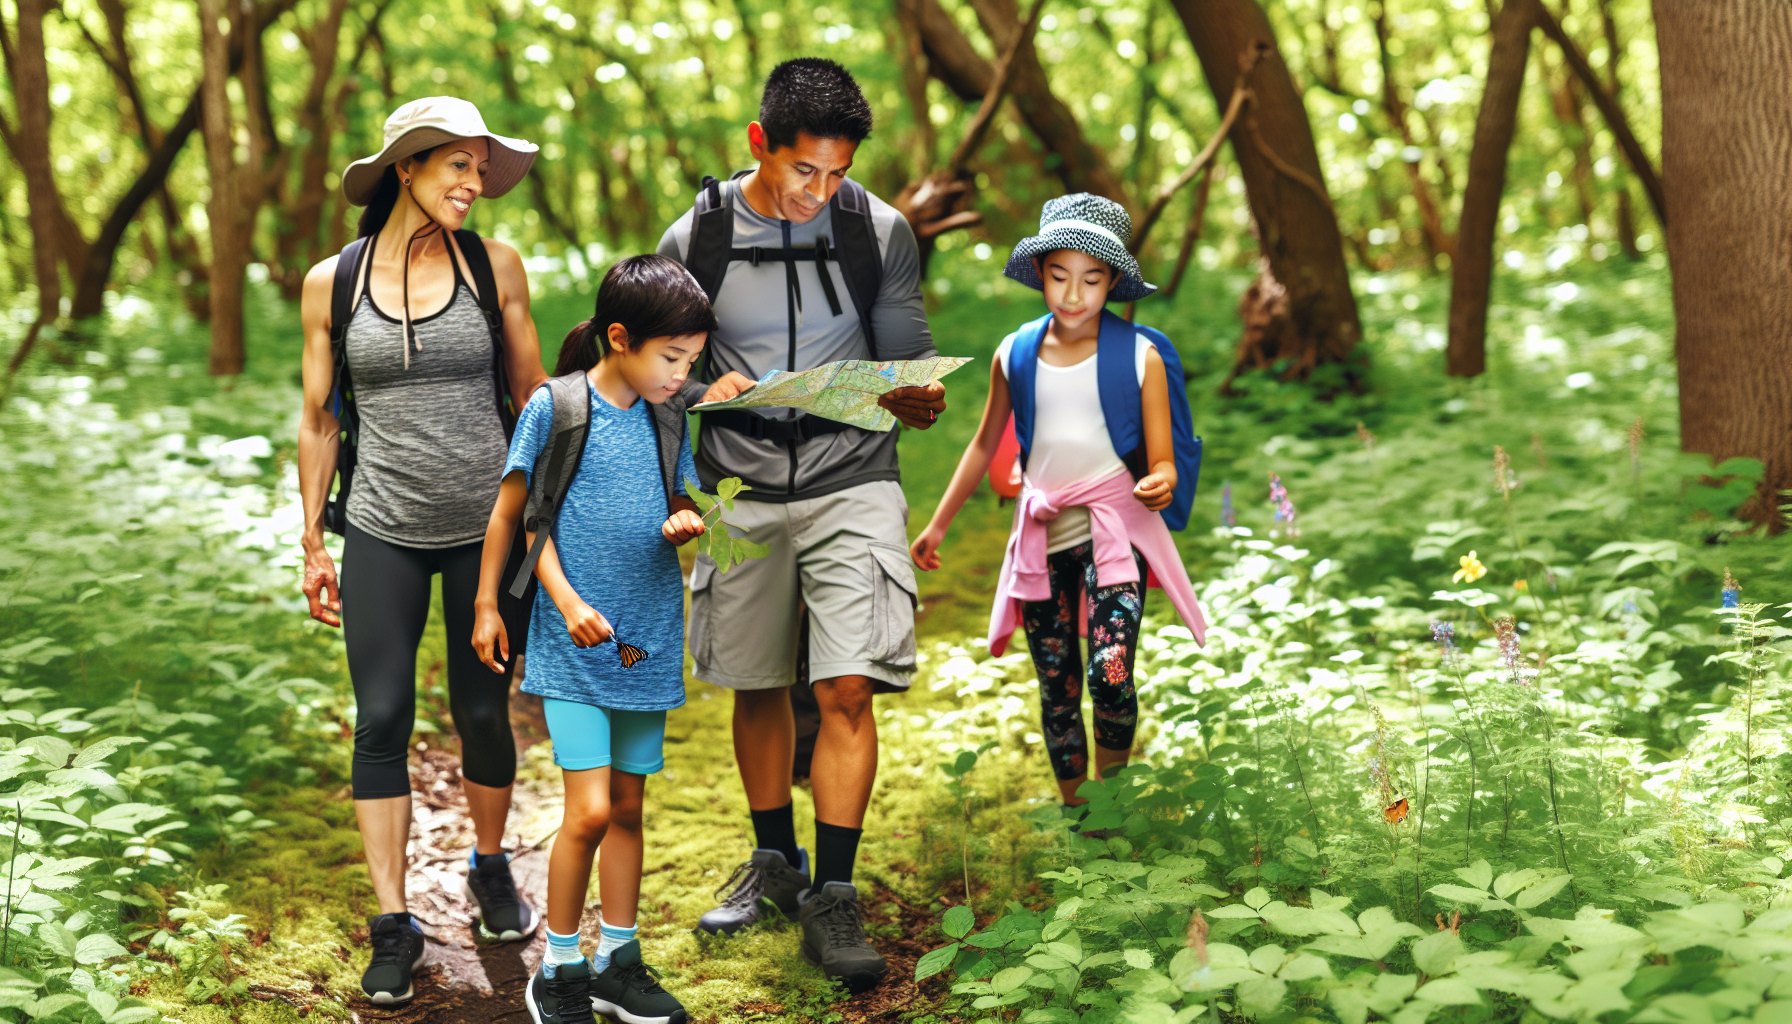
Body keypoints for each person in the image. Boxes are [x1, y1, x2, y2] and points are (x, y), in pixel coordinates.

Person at [655, 58, 946, 992]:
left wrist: (917, 394)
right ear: (758, 147)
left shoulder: (879, 231)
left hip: (852, 477)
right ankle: (773, 864)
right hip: (737, 489)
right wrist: (705, 390)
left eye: (837, 174)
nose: (820, 194)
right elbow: (655, 372)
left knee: (847, 688)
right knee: (756, 680)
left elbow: (906, 351)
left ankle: (834, 890)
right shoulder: (693, 235)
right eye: (801, 173)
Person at [296, 97, 547, 1006]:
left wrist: (560, 517)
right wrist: (311, 538)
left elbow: (534, 400)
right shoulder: (335, 280)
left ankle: (488, 868)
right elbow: (320, 417)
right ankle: (394, 922)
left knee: (484, 714)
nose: (474, 185)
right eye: (457, 167)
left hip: (489, 531)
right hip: (381, 527)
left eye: (482, 169)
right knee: (383, 715)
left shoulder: (496, 268)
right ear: (407, 166)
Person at [473, 255, 715, 1024]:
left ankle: (619, 957)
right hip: (573, 644)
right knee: (587, 812)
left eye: (691, 360)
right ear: (619, 338)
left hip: (646, 639)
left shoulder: (666, 413)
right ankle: (561, 967)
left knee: (630, 809)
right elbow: (517, 517)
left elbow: (678, 493)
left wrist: (683, 517)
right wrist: (496, 604)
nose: (682, 374)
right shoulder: (556, 407)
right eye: (670, 357)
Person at [909, 194, 1207, 810]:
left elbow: (1163, 460)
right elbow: (984, 443)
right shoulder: (1014, 353)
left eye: (1092, 279)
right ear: (1040, 274)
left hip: (1116, 534)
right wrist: (938, 525)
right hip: (1043, 541)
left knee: (1110, 669)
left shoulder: (1141, 355)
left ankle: (1114, 801)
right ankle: (1078, 812)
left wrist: (1163, 482)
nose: (1074, 295)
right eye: (1060, 276)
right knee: (1058, 682)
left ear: (1114, 282)